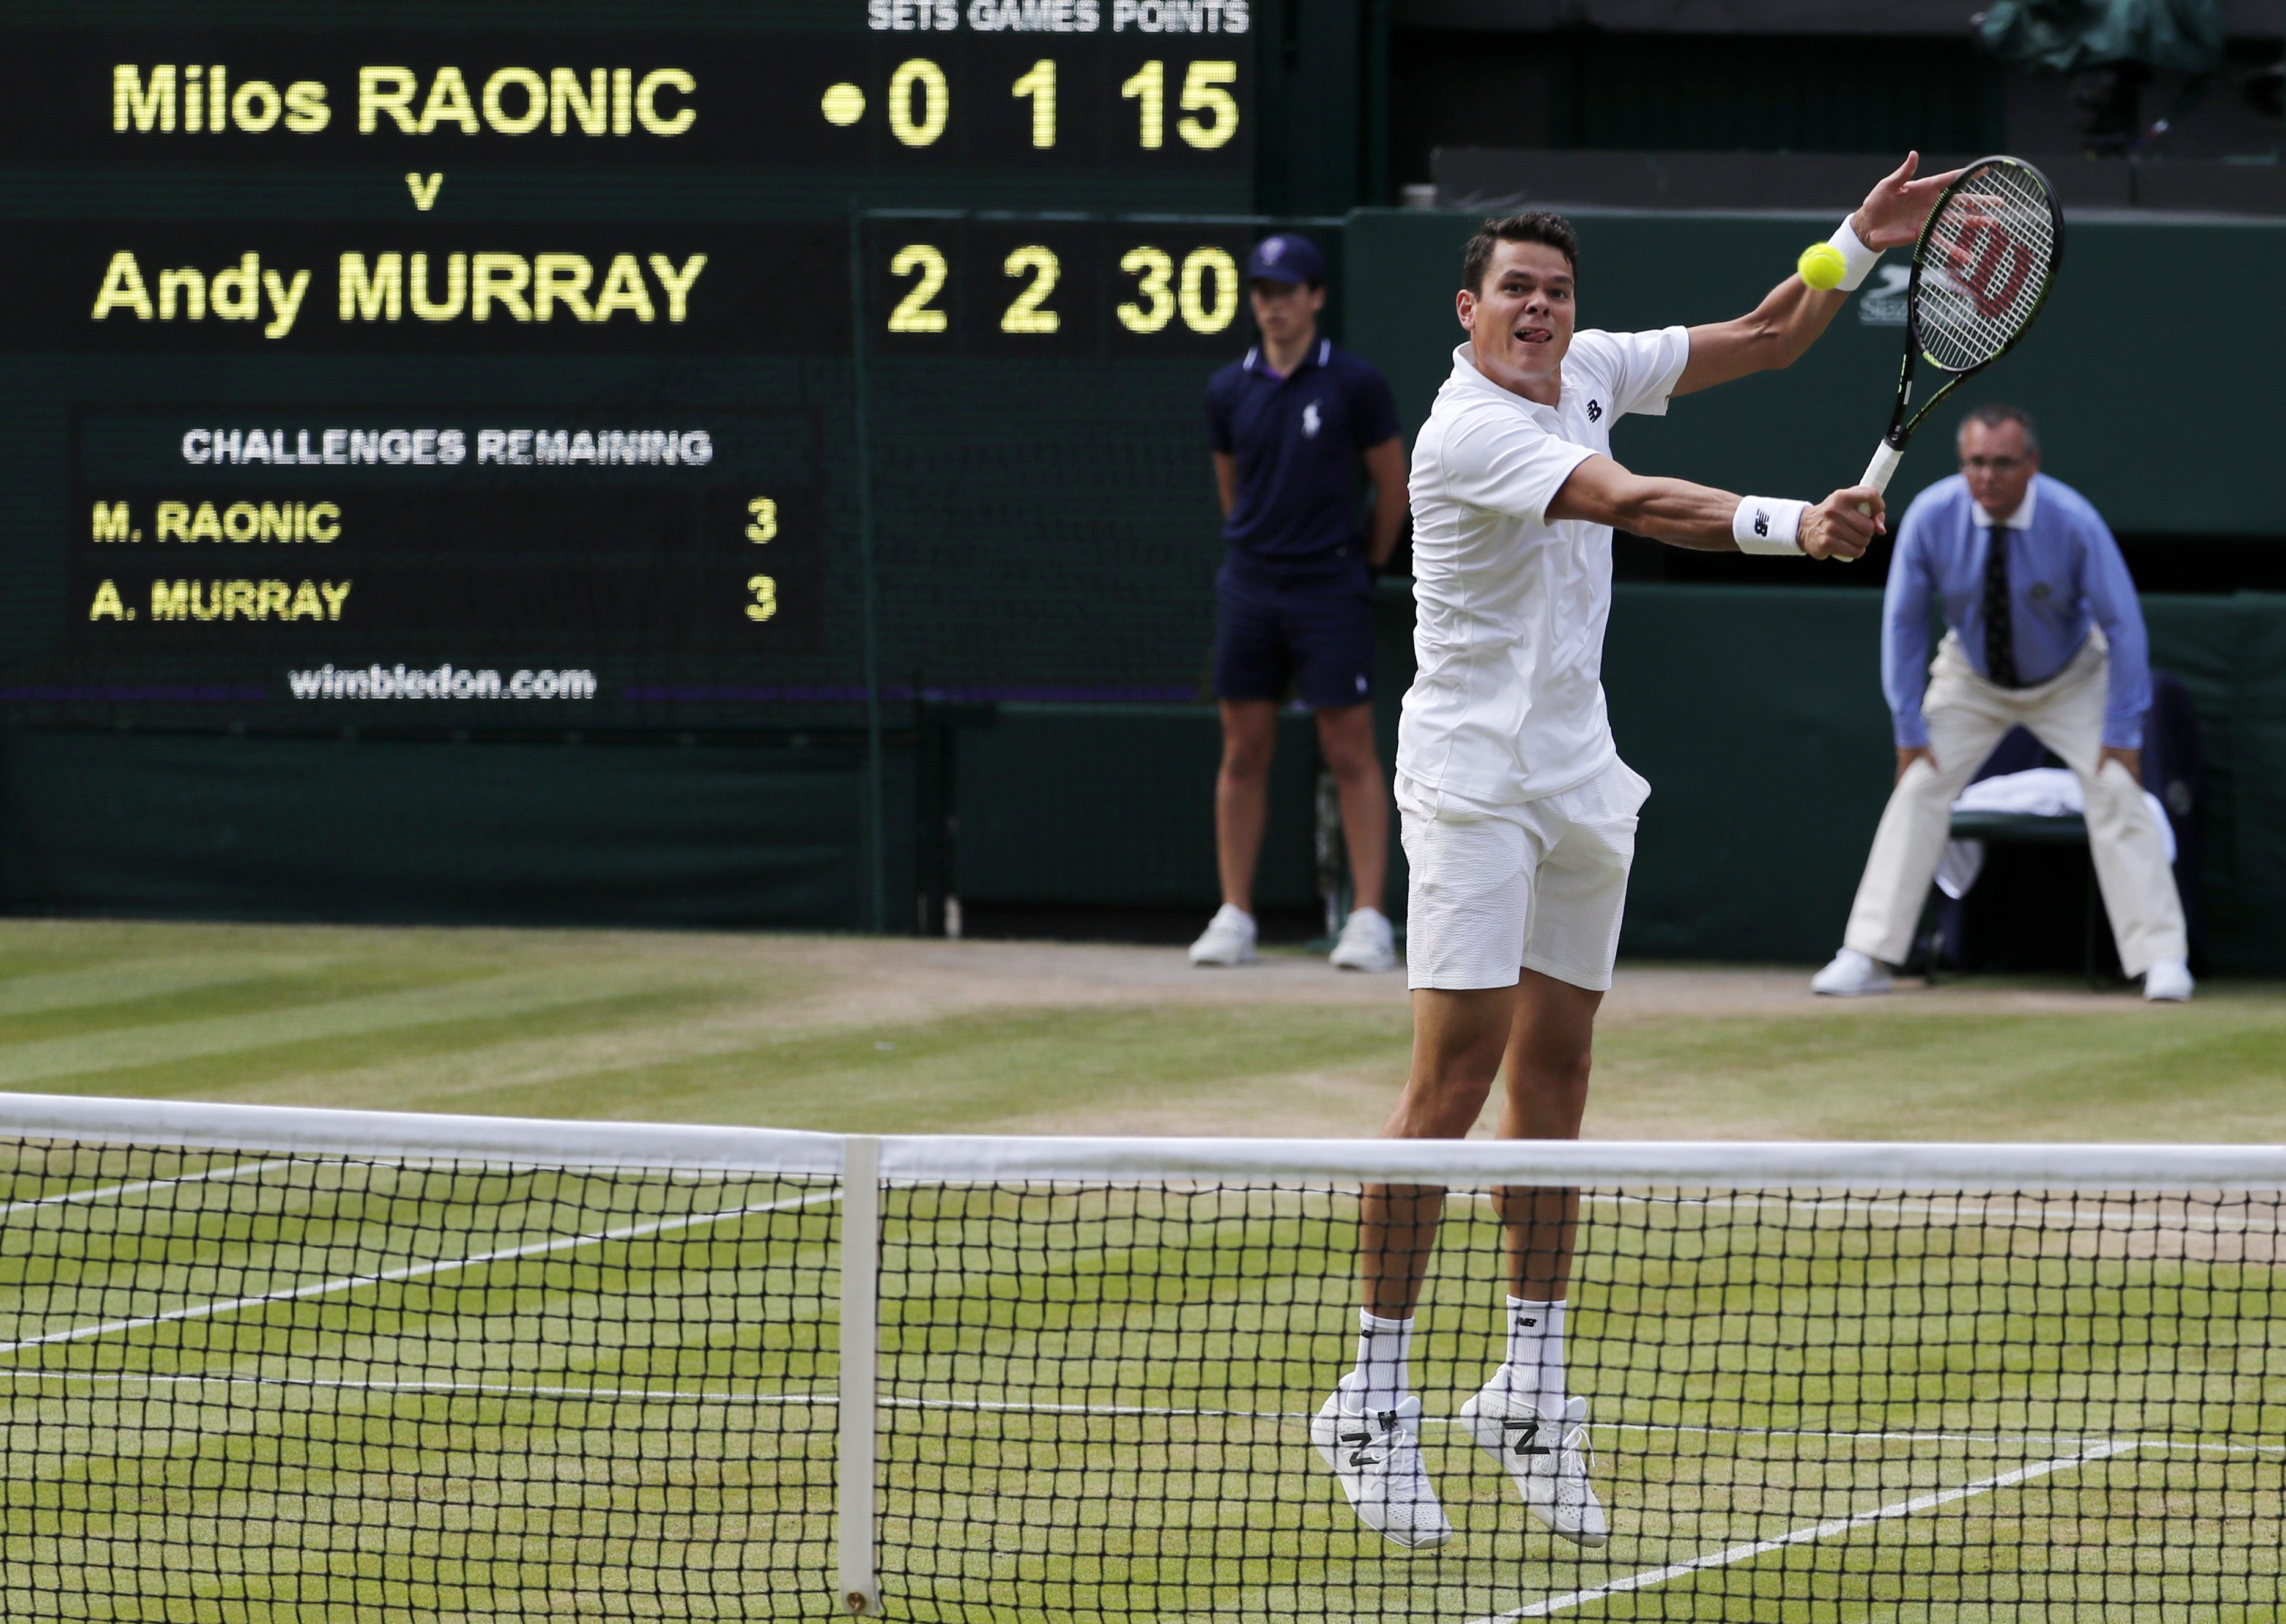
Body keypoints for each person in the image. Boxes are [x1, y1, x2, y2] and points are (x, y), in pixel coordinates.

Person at [1308, 155, 1961, 1552]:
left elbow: (1770, 333)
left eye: (1552, 292)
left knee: (1554, 1086)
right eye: (1512, 295)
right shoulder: (1461, 436)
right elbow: (1632, 502)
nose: (1537, 312)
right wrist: (1794, 526)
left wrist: (1852, 238)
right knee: (1449, 1087)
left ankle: (1529, 1391)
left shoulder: (1594, 362)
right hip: (1472, 784)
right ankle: (1367, 1396)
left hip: (1575, 778)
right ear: (1464, 313)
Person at [1812, 406, 2194, 1002]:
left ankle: (2161, 960)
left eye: (2001, 463)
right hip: (1970, 676)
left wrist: (2122, 731)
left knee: (2116, 790)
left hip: (2071, 676)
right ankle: (1866, 955)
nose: (1986, 476)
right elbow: (1905, 625)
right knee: (1917, 788)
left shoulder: (2071, 520)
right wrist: (1907, 727)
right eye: (1974, 463)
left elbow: (2122, 627)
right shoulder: (1932, 517)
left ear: (2030, 465)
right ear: (1962, 465)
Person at [1188, 234, 1411, 973]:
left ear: (1315, 297)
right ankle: (1234, 915)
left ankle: (1369, 919)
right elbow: (1232, 488)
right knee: (1242, 750)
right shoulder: (1228, 389)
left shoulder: (1352, 384)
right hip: (1250, 584)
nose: (1272, 305)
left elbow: (1392, 482)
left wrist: (1366, 562)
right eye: (1262, 292)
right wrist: (1254, 546)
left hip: (1330, 585)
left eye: (1286, 291)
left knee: (1349, 752)